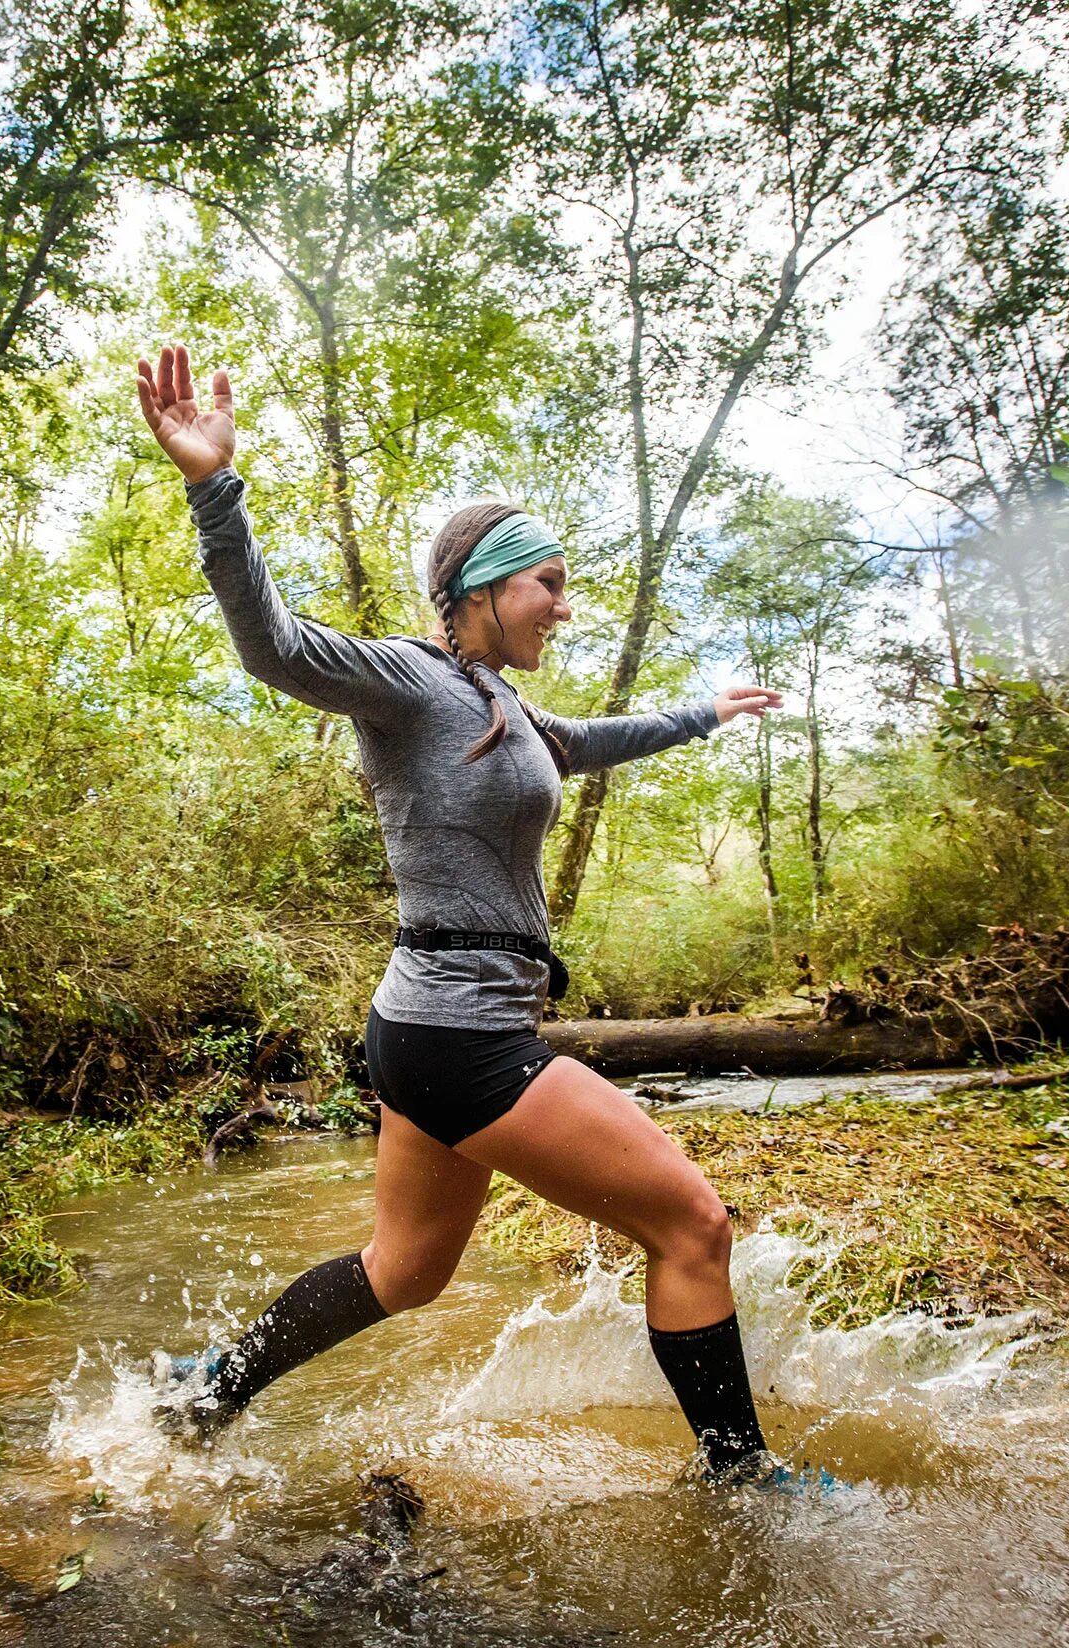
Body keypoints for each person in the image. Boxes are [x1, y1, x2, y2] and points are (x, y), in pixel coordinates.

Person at [135, 344, 784, 1482]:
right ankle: (745, 1478)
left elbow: (584, 743)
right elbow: (270, 645)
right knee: (694, 1225)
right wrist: (211, 485)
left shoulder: (503, 706)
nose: (564, 607)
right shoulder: (408, 683)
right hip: (458, 1031)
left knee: (406, 1267)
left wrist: (703, 716)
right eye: (550, 584)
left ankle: (212, 1393)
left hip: (435, 1023)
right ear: (482, 586)